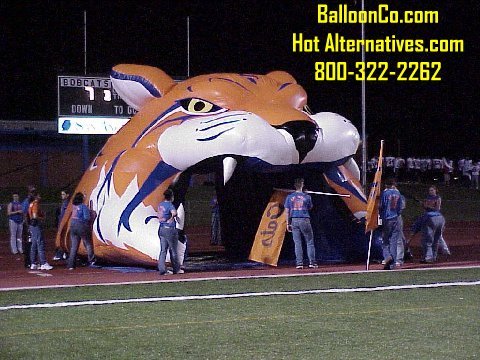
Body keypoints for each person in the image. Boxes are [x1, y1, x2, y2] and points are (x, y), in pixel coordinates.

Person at [284, 178, 317, 269]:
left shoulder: (289, 197)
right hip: (304, 219)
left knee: (297, 243)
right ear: (302, 184)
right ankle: (312, 262)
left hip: (294, 220)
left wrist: (287, 223)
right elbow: (310, 207)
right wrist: (306, 195)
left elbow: (287, 211)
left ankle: (299, 263)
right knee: (309, 242)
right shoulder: (307, 197)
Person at [379, 178, 404, 270]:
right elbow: (400, 207)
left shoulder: (385, 193)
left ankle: (387, 256)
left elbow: (381, 206)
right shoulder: (398, 193)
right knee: (394, 241)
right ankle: (392, 263)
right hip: (396, 218)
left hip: (387, 218)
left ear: (386, 185)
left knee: (385, 241)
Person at [66, 192, 95, 270]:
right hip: (81, 225)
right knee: (88, 243)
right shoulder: (83, 206)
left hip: (72, 225)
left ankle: (71, 264)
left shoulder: (74, 206)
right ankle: (91, 260)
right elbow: (87, 217)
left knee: (74, 246)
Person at [157, 189, 182, 275]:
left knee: (163, 250)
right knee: (173, 249)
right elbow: (174, 213)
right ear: (171, 196)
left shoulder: (160, 205)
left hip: (161, 228)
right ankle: (177, 268)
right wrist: (172, 218)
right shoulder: (170, 205)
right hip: (169, 229)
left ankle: (162, 269)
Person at [420, 185, 448, 262]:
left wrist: (427, 206)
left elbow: (437, 208)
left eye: (432, 190)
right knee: (435, 238)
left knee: (434, 238)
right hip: (430, 217)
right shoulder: (427, 197)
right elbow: (425, 208)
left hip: (435, 218)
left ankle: (432, 256)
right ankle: (437, 254)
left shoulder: (438, 198)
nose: (431, 192)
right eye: (430, 190)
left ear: (436, 190)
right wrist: (424, 205)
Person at [28, 191, 53, 270]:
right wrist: (42, 218)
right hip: (36, 225)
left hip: (32, 225)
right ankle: (43, 262)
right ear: (36, 196)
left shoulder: (31, 204)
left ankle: (33, 263)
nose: (40, 197)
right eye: (39, 195)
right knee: (40, 243)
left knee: (34, 244)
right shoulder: (35, 204)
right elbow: (35, 216)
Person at [53, 190, 70, 260]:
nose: (62, 196)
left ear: (67, 195)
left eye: (63, 194)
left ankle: (60, 254)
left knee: (61, 239)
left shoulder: (67, 203)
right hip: (61, 223)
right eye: (61, 194)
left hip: (63, 224)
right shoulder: (64, 203)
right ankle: (64, 253)